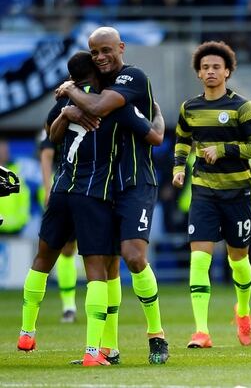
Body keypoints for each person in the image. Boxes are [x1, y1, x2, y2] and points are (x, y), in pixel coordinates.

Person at [20, 51, 161, 366]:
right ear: (97, 74)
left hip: (60, 191)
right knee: (101, 270)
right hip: (94, 195)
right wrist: (158, 114)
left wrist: (67, 106)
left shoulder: (64, 105)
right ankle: (94, 351)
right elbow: (155, 136)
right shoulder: (112, 105)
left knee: (44, 259)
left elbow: (52, 139)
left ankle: (27, 330)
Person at [55, 27, 169, 364]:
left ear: (120, 47)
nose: (101, 57)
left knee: (133, 256)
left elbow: (102, 108)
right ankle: (108, 347)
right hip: (101, 186)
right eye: (95, 53)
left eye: (107, 50)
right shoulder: (94, 86)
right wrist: (68, 107)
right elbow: (58, 129)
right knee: (106, 265)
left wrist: (71, 93)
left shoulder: (131, 77)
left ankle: (156, 334)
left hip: (135, 182)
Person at [172, 41, 251, 348]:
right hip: (203, 192)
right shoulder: (190, 108)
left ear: (227, 71)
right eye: (205, 67)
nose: (211, 71)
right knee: (199, 259)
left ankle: (244, 311)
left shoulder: (242, 107)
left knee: (238, 259)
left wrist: (224, 149)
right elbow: (183, 140)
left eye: (216, 67)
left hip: (237, 193)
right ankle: (201, 331)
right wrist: (178, 168)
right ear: (199, 73)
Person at [39, 132, 79, 323]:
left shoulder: (102, 110)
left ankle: (105, 305)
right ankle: (69, 306)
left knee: (106, 252)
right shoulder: (60, 114)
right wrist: (48, 189)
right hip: (68, 190)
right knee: (67, 249)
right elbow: (46, 152)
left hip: (98, 187)